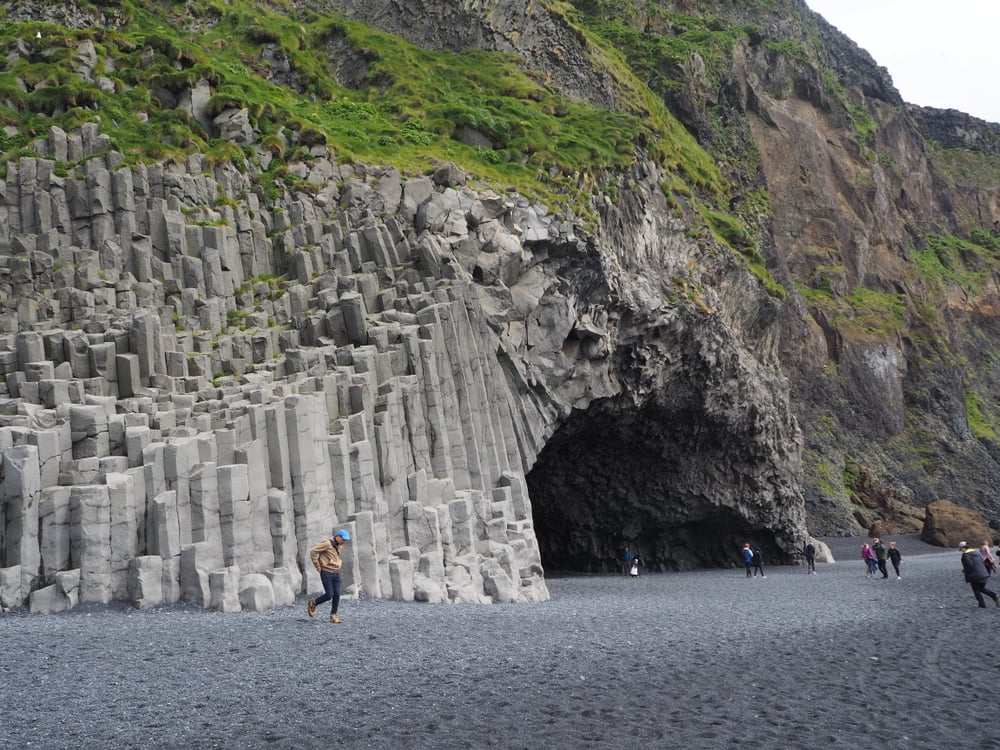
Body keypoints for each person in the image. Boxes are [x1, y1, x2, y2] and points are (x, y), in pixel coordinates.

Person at [307, 528, 351, 623]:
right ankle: (313, 603)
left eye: (346, 540)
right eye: (343, 539)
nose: (344, 542)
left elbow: (333, 556)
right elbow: (313, 551)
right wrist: (317, 565)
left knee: (337, 594)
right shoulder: (327, 543)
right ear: (338, 536)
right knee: (329, 595)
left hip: (336, 572)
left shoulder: (340, 545)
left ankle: (333, 615)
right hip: (326, 572)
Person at [959, 541, 1000, 608]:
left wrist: (965, 571)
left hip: (975, 575)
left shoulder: (965, 555)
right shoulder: (976, 552)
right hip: (984, 573)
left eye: (961, 548)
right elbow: (982, 562)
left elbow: (970, 566)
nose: (961, 550)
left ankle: (982, 605)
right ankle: (995, 596)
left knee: (976, 590)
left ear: (963, 548)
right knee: (982, 588)